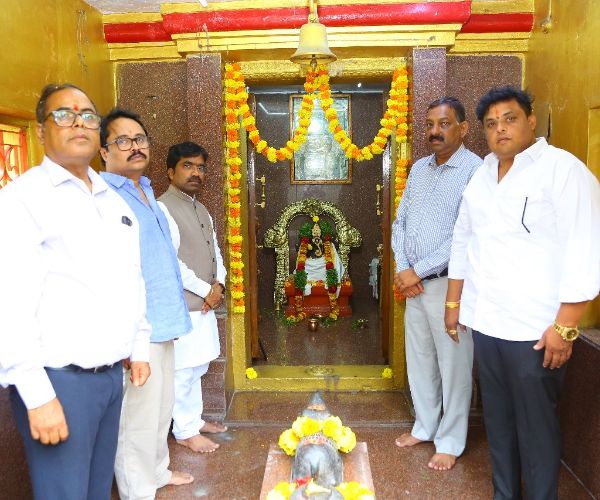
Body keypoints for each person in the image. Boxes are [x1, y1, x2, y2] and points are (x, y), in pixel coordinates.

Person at [446, 86, 600, 499]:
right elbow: (463, 239)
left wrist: (565, 327)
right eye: (491, 124)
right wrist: (454, 302)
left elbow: (586, 248)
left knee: (536, 429)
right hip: (487, 323)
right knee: (498, 424)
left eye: (509, 119)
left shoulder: (562, 171)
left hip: (535, 330)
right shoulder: (482, 175)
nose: (500, 129)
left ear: (531, 121)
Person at [0, 84, 151, 500]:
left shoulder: (111, 199)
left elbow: (131, 277)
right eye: (64, 115)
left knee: (97, 490)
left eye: (87, 115)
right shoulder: (21, 200)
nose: (78, 123)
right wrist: (37, 396)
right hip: (59, 382)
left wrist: (138, 345)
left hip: (110, 376)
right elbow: (8, 304)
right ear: (41, 130)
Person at [99, 109, 194, 499]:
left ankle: (156, 472)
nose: (135, 147)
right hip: (137, 328)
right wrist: (126, 336)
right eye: (123, 140)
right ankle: (137, 490)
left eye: (140, 139)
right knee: (137, 417)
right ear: (103, 151)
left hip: (164, 320)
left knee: (160, 408)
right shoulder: (104, 197)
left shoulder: (146, 192)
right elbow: (108, 271)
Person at [391, 97, 482, 471]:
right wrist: (404, 268)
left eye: (444, 124)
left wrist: (420, 269)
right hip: (413, 285)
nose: (434, 131)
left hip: (450, 286)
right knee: (420, 359)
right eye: (430, 124)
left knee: (454, 366)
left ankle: (451, 440)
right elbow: (400, 223)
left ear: (463, 128)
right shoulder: (419, 169)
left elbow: (466, 234)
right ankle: (425, 426)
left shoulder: (476, 170)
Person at [158, 141, 228, 453]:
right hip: (185, 304)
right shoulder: (163, 208)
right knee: (183, 370)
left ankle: (194, 420)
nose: (196, 173)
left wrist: (219, 285)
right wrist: (206, 291)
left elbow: (216, 252)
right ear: (170, 172)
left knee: (197, 366)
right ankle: (185, 431)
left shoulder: (201, 209)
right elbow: (171, 261)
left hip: (205, 302)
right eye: (187, 166)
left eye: (200, 167)